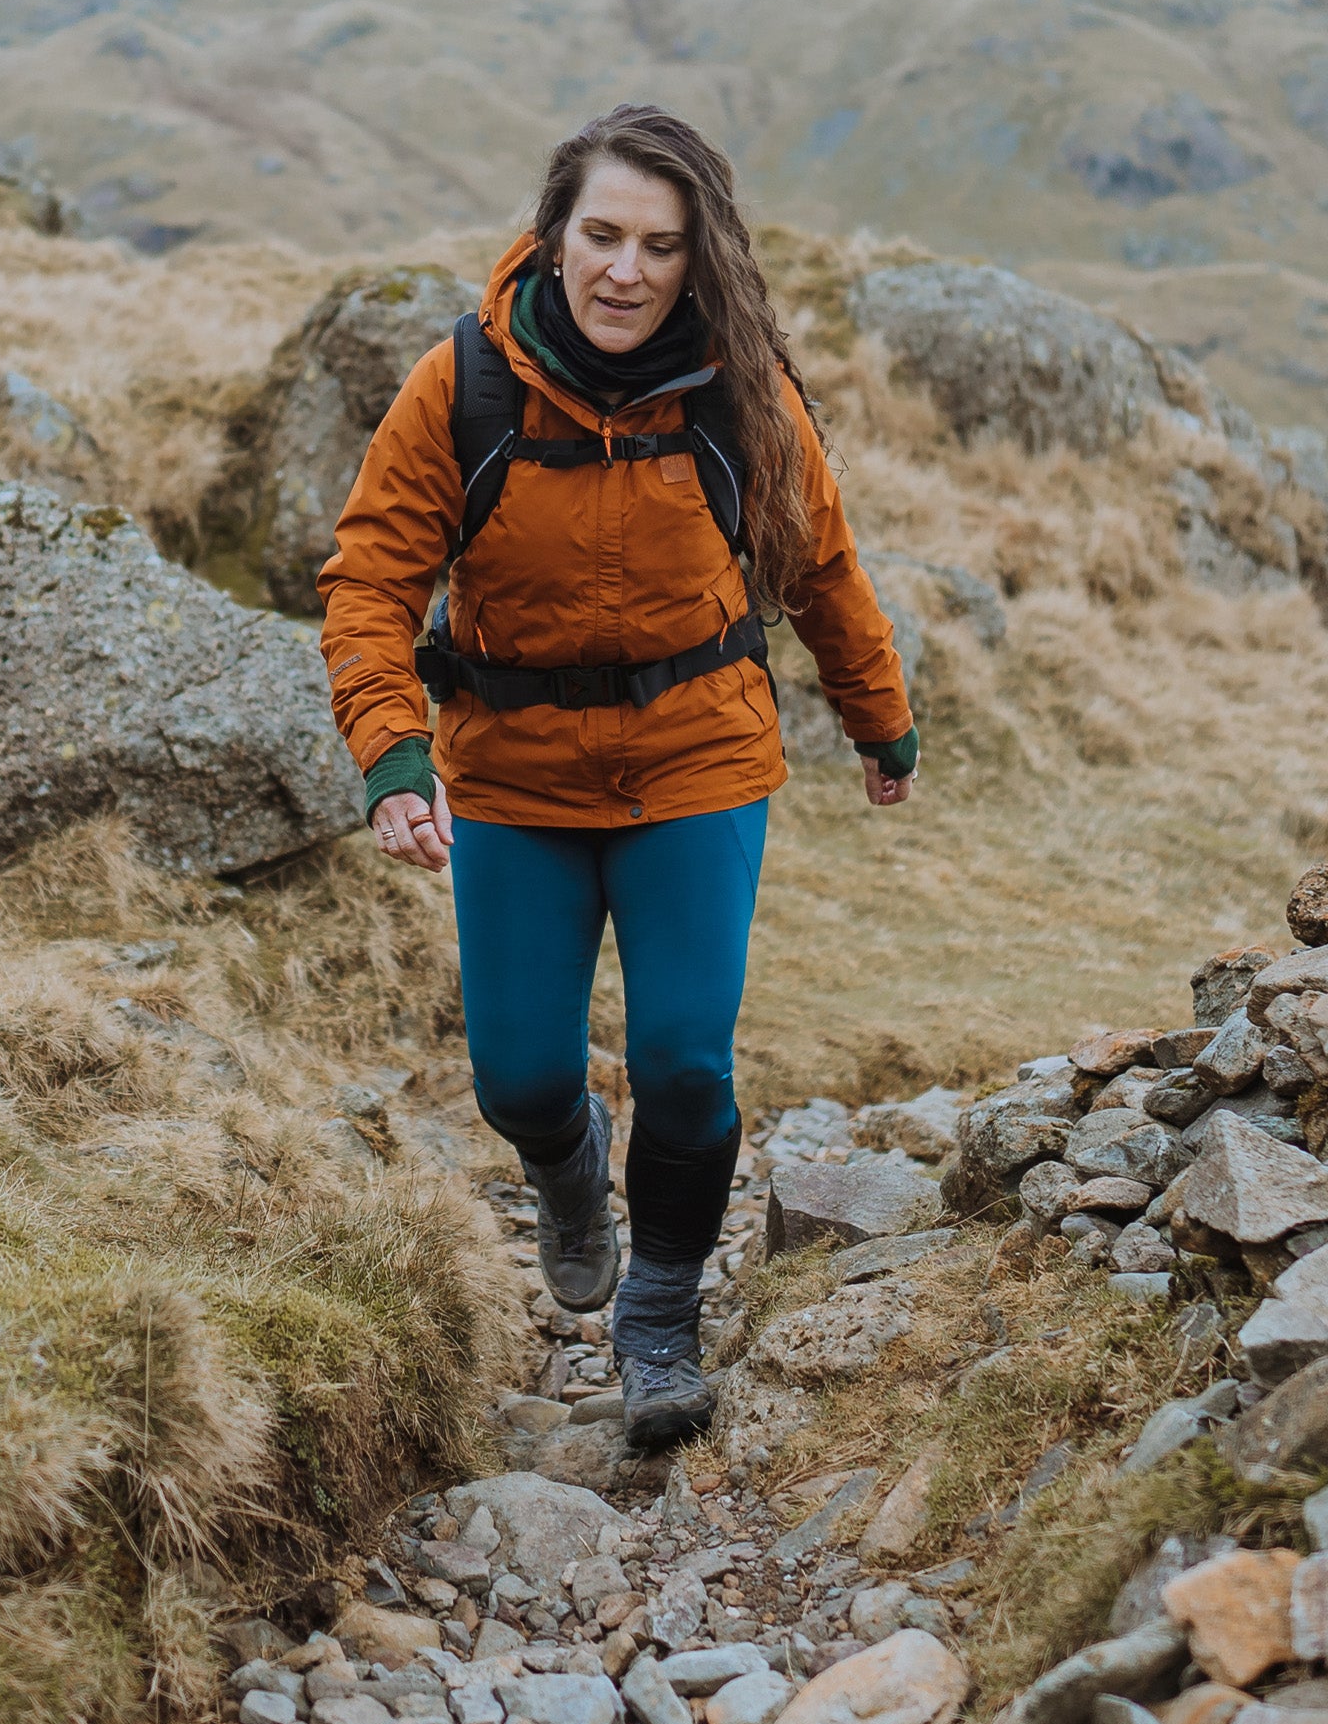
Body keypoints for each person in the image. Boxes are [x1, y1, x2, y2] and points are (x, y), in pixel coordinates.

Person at [318, 103, 918, 1449]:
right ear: (553, 232)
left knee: (684, 1059)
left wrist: (879, 721)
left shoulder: (740, 391)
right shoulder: (460, 387)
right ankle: (567, 1164)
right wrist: (390, 751)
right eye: (601, 234)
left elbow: (817, 566)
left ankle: (658, 1314)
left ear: (695, 258)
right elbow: (370, 578)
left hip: (697, 760)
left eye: (659, 245)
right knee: (519, 1075)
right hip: (515, 779)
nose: (625, 270)